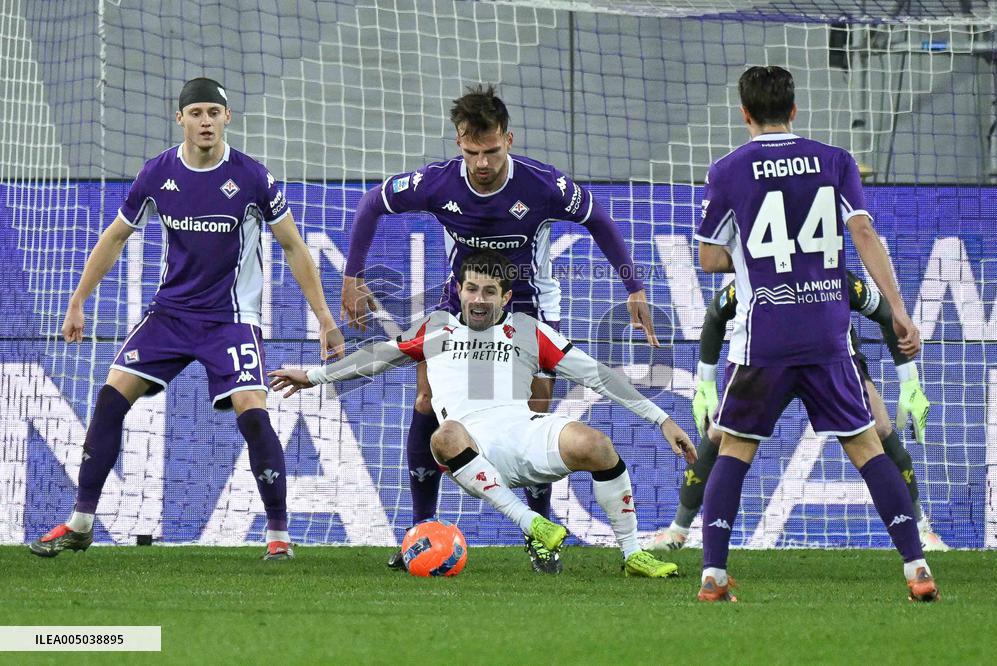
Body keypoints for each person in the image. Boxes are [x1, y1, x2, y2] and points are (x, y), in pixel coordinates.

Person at [341, 84, 657, 574]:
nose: (482, 163)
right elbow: (371, 205)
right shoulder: (439, 183)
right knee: (427, 402)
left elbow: (598, 219)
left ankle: (540, 531)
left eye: (491, 151)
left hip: (529, 305)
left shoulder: (542, 184)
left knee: (533, 414)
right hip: (463, 303)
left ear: (509, 139)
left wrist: (634, 288)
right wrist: (352, 276)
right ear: (458, 144)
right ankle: (420, 531)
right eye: (472, 152)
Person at [29, 78, 343, 561]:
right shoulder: (157, 174)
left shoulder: (253, 177)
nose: (205, 121)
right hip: (170, 315)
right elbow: (115, 237)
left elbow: (294, 246)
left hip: (231, 320)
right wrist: (78, 301)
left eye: (213, 112)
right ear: (180, 119)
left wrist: (323, 319)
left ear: (227, 118)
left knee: (253, 413)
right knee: (111, 399)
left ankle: (278, 534)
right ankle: (81, 522)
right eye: (195, 112)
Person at [271, 250, 695, 576]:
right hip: (470, 446)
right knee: (444, 433)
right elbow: (378, 356)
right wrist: (313, 375)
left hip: (524, 434)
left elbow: (598, 375)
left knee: (597, 444)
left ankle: (633, 554)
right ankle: (533, 524)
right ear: (459, 290)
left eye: (490, 291)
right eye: (471, 288)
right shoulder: (436, 327)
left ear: (506, 297)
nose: (478, 299)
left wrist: (663, 419)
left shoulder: (528, 330)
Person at [694, 66, 939, 602]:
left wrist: (751, 257)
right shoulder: (835, 161)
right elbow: (864, 232)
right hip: (828, 331)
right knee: (865, 444)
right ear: (795, 110)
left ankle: (713, 575)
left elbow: (710, 256)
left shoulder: (728, 170)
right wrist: (898, 309)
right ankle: (916, 567)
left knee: (734, 447)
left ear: (745, 113)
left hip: (766, 335)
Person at [648, 271, 949, 552]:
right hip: (770, 362)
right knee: (718, 434)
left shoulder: (830, 273)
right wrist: (705, 385)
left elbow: (884, 312)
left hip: (829, 360)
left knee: (880, 429)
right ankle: (679, 530)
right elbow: (716, 315)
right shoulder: (757, 274)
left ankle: (920, 529)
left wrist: (910, 382)